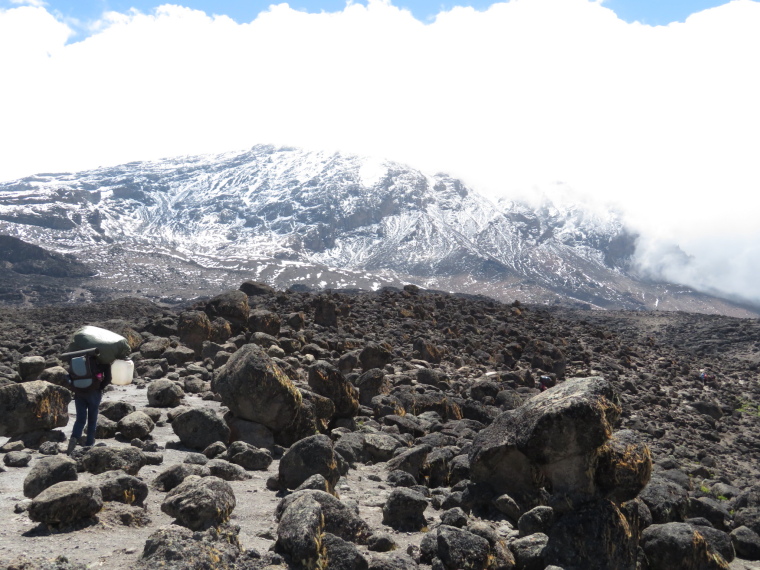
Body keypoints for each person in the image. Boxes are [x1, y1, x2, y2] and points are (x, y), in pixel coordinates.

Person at [66, 351, 111, 453]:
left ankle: (73, 440)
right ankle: (89, 444)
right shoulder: (102, 362)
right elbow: (108, 378)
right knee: (92, 419)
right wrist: (100, 387)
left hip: (79, 392)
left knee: (80, 419)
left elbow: (70, 374)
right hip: (94, 393)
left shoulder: (78, 359)